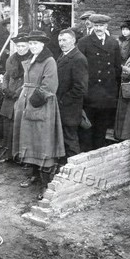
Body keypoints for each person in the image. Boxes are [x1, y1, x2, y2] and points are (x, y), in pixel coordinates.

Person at [13, 30, 65, 200]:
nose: (33, 46)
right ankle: (33, 175)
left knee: (43, 143)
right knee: (29, 141)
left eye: (36, 43)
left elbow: (49, 86)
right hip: (28, 104)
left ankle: (46, 184)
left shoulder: (49, 61)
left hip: (41, 105)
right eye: (31, 43)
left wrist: (32, 103)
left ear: (43, 45)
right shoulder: (31, 59)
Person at [77, 14, 121, 151]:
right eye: (96, 25)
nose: (98, 28)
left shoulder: (113, 43)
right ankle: (86, 155)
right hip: (90, 91)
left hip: (107, 93)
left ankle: (98, 155)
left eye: (101, 26)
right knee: (87, 127)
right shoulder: (84, 42)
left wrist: (114, 90)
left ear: (106, 26)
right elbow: (80, 68)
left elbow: (117, 68)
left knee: (102, 128)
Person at [0, 33, 32, 163]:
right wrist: (5, 88)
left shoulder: (31, 59)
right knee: (7, 125)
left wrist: (18, 92)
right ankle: (7, 154)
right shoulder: (11, 59)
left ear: (28, 46)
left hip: (22, 96)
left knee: (19, 125)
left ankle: (20, 156)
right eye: (18, 46)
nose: (21, 48)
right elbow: (6, 75)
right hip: (9, 96)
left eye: (23, 46)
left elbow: (28, 80)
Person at [56, 29, 88, 161]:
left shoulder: (78, 58)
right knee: (63, 137)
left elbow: (80, 87)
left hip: (70, 107)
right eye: (59, 40)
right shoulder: (63, 56)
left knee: (70, 138)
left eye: (65, 40)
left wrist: (63, 100)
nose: (61, 43)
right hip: (62, 105)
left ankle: (73, 170)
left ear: (73, 40)